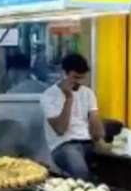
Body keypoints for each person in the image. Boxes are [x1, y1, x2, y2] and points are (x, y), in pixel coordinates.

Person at [40, 52, 104, 180]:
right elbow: (60, 129)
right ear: (64, 73)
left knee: (114, 166)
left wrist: (94, 118)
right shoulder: (49, 96)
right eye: (75, 77)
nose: (78, 82)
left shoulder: (88, 93)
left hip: (87, 142)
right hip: (64, 145)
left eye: (82, 78)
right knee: (81, 173)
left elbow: (97, 131)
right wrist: (68, 98)